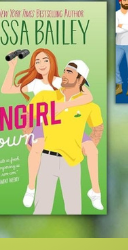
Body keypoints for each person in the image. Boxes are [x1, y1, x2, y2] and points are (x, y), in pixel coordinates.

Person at [1, 49, 93, 208]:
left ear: (52, 63)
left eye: (45, 60)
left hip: (66, 123)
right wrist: (11, 67)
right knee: (37, 147)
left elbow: (88, 96)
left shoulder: (60, 81)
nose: (41, 64)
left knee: (91, 148)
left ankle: (95, 191)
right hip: (44, 122)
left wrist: (65, 105)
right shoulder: (35, 84)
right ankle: (31, 188)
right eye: (37, 61)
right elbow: (6, 89)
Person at [29, 60, 104, 214]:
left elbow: (98, 128)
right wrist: (29, 139)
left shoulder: (90, 106)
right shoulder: (46, 96)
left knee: (74, 211)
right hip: (47, 158)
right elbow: (28, 117)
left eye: (69, 72)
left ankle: (95, 193)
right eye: (64, 71)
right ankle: (29, 189)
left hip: (72, 162)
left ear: (80, 79)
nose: (64, 75)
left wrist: (89, 146)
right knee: (41, 210)